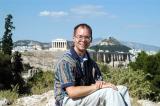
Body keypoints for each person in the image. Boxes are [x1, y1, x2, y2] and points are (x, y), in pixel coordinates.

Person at [54, 23, 131, 106]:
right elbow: (72, 93)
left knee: (122, 89)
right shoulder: (66, 62)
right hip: (67, 100)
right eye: (80, 36)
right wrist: (97, 87)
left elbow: (99, 83)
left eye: (87, 37)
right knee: (109, 92)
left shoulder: (91, 63)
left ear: (90, 40)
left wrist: (103, 85)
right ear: (74, 38)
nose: (83, 40)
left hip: (84, 96)